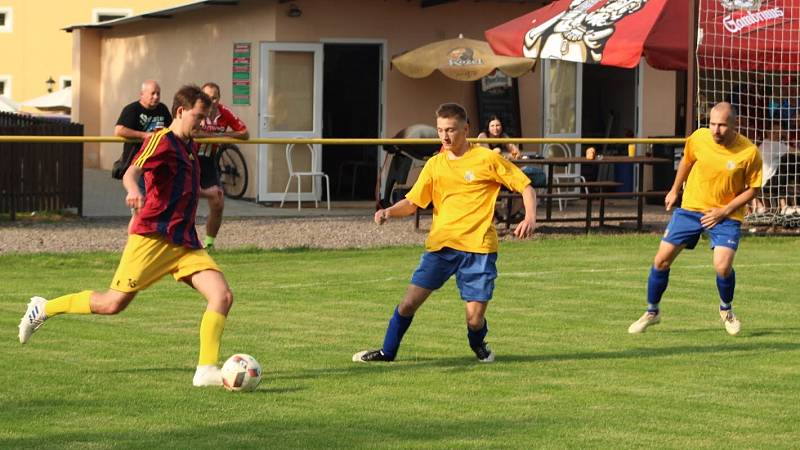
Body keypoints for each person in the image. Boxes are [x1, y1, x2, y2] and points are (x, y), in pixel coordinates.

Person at [18, 85, 234, 387]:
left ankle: (205, 370)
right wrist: (133, 190)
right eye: (199, 116)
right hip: (153, 238)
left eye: (206, 117)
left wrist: (208, 193)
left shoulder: (190, 145)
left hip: (184, 242)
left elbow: (178, 185)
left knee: (222, 296)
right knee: (112, 304)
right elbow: (133, 171)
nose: (202, 123)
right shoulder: (161, 140)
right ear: (181, 111)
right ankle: (43, 308)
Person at [352, 103, 537, 363]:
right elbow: (413, 202)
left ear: (466, 128)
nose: (445, 136)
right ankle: (387, 352)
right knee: (407, 304)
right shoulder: (435, 165)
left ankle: (478, 343)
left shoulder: (487, 159)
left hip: (478, 249)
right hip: (441, 248)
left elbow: (526, 187)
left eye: (450, 130)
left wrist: (529, 217)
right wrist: (389, 212)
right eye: (440, 130)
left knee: (474, 320)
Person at [628, 102, 762, 337]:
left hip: (726, 215)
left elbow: (753, 189)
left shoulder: (749, 152)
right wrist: (674, 189)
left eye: (721, 125)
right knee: (661, 261)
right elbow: (687, 161)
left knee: (722, 267)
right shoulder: (699, 138)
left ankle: (726, 310)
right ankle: (652, 311)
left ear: (735, 125)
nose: (715, 130)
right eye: (712, 123)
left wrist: (723, 211)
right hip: (690, 210)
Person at [193, 82, 249, 249]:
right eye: (207, 97)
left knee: (218, 202)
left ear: (219, 99)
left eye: (215, 97)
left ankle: (209, 245)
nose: (211, 101)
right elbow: (191, 132)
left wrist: (223, 134)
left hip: (209, 160)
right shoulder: (195, 110)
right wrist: (210, 135)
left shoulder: (224, 112)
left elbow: (245, 133)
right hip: (190, 159)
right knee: (185, 200)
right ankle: (181, 242)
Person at [113, 80, 172, 180]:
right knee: (140, 192)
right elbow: (119, 130)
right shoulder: (132, 109)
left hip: (158, 161)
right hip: (137, 162)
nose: (156, 97)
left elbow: (171, 129)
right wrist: (144, 135)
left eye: (158, 93)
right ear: (142, 94)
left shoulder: (163, 109)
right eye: (152, 93)